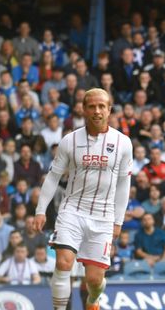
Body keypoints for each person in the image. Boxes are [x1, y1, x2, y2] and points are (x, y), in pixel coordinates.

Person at [35, 88, 133, 310]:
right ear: (83, 109)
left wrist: (118, 220)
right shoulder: (69, 141)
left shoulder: (123, 143)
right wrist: (41, 210)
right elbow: (53, 177)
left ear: (109, 110)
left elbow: (123, 184)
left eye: (101, 106)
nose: (97, 111)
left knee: (95, 281)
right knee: (63, 263)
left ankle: (93, 300)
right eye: (91, 106)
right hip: (72, 210)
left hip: (104, 216)